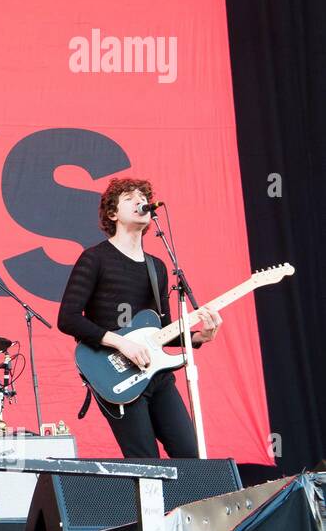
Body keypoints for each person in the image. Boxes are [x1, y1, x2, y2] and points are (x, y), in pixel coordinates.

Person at [57, 178, 220, 459]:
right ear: (112, 214)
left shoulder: (156, 266)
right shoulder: (94, 258)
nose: (140, 201)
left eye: (142, 196)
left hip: (156, 374)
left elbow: (163, 328)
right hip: (116, 374)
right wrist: (121, 343)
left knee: (190, 454)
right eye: (130, 197)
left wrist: (196, 338)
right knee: (146, 462)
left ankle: (185, 505)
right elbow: (68, 318)